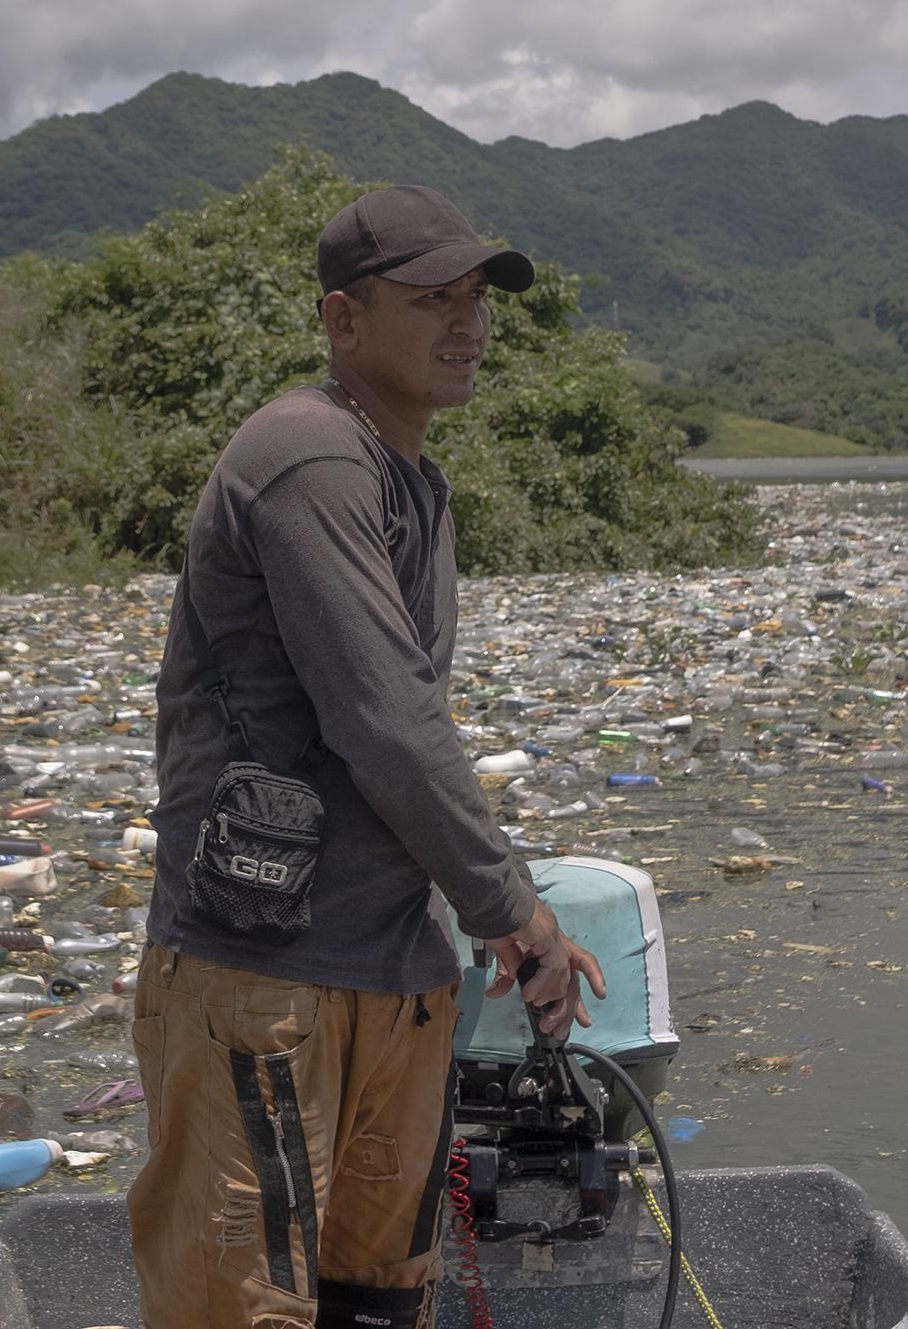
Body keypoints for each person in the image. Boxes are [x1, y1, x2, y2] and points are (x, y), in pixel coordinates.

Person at [127, 183, 608, 1329]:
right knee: (240, 1304)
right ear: (344, 321)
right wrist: (517, 911)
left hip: (391, 970)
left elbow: (405, 732)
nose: (470, 323)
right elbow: (387, 718)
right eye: (434, 298)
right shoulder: (306, 457)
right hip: (266, 971)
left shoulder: (413, 479)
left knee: (379, 1296)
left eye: (479, 300)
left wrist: (488, 916)